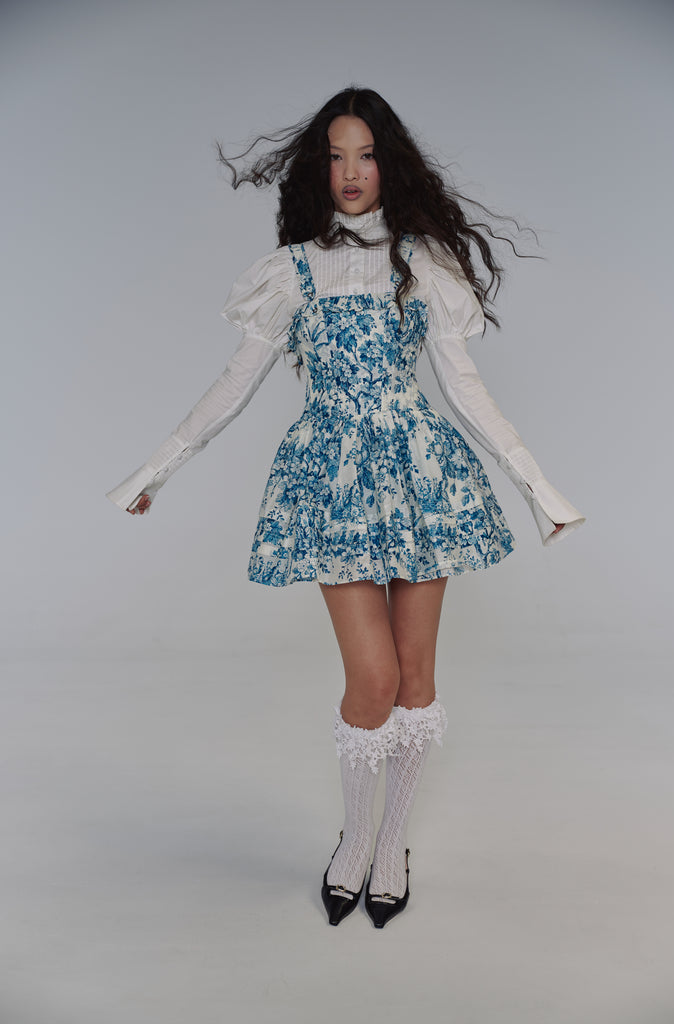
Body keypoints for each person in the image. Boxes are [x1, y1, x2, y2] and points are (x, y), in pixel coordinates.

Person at [107, 87, 585, 929]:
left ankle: (391, 844)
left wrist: (538, 489)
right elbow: (233, 385)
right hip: (332, 486)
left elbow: (464, 389)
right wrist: (155, 470)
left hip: (422, 476)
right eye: (336, 156)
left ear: (388, 163)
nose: (352, 172)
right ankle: (355, 838)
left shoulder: (423, 263)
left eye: (365, 155)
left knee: (415, 681)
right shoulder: (293, 270)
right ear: (317, 169)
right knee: (372, 679)